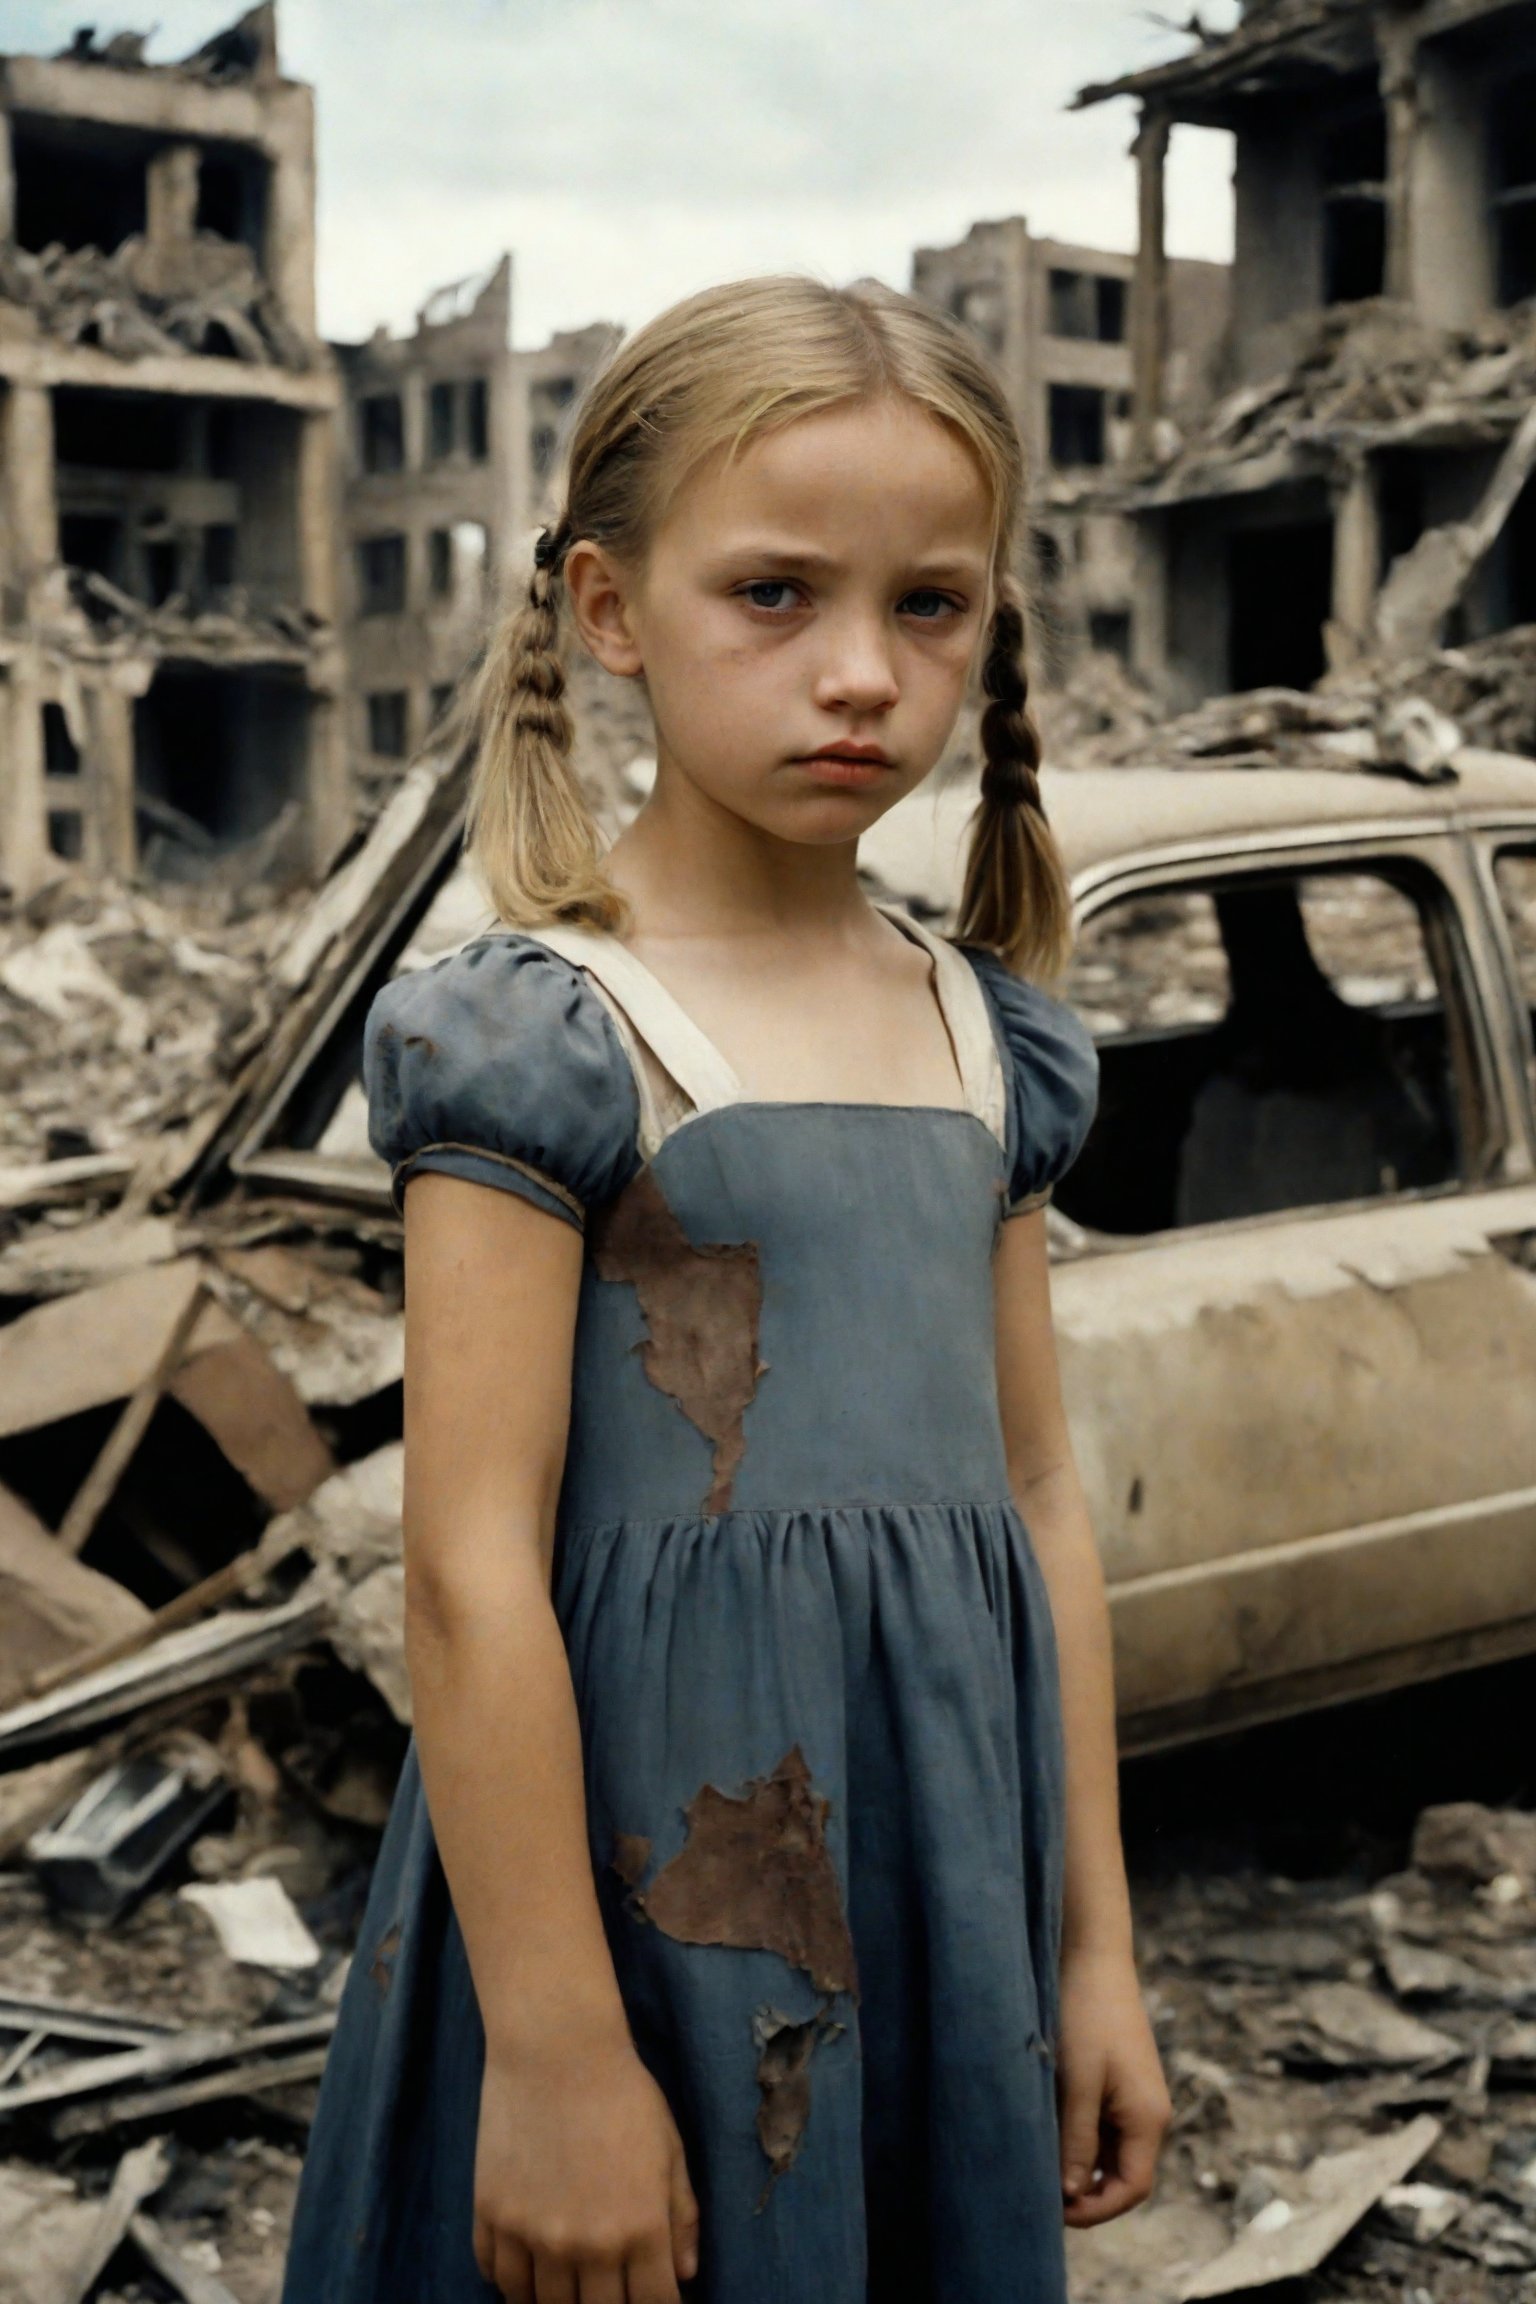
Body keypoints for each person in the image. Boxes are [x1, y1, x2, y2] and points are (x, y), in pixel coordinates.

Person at [283, 274, 1170, 2304]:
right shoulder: (553, 1038)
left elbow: (1038, 1508)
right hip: (633, 1921)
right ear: (610, 612)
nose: (858, 671)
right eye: (773, 594)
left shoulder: (989, 1043)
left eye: (927, 606)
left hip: (932, 1908)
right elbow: (468, 1568)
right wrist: (563, 2057)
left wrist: (1094, 1953)